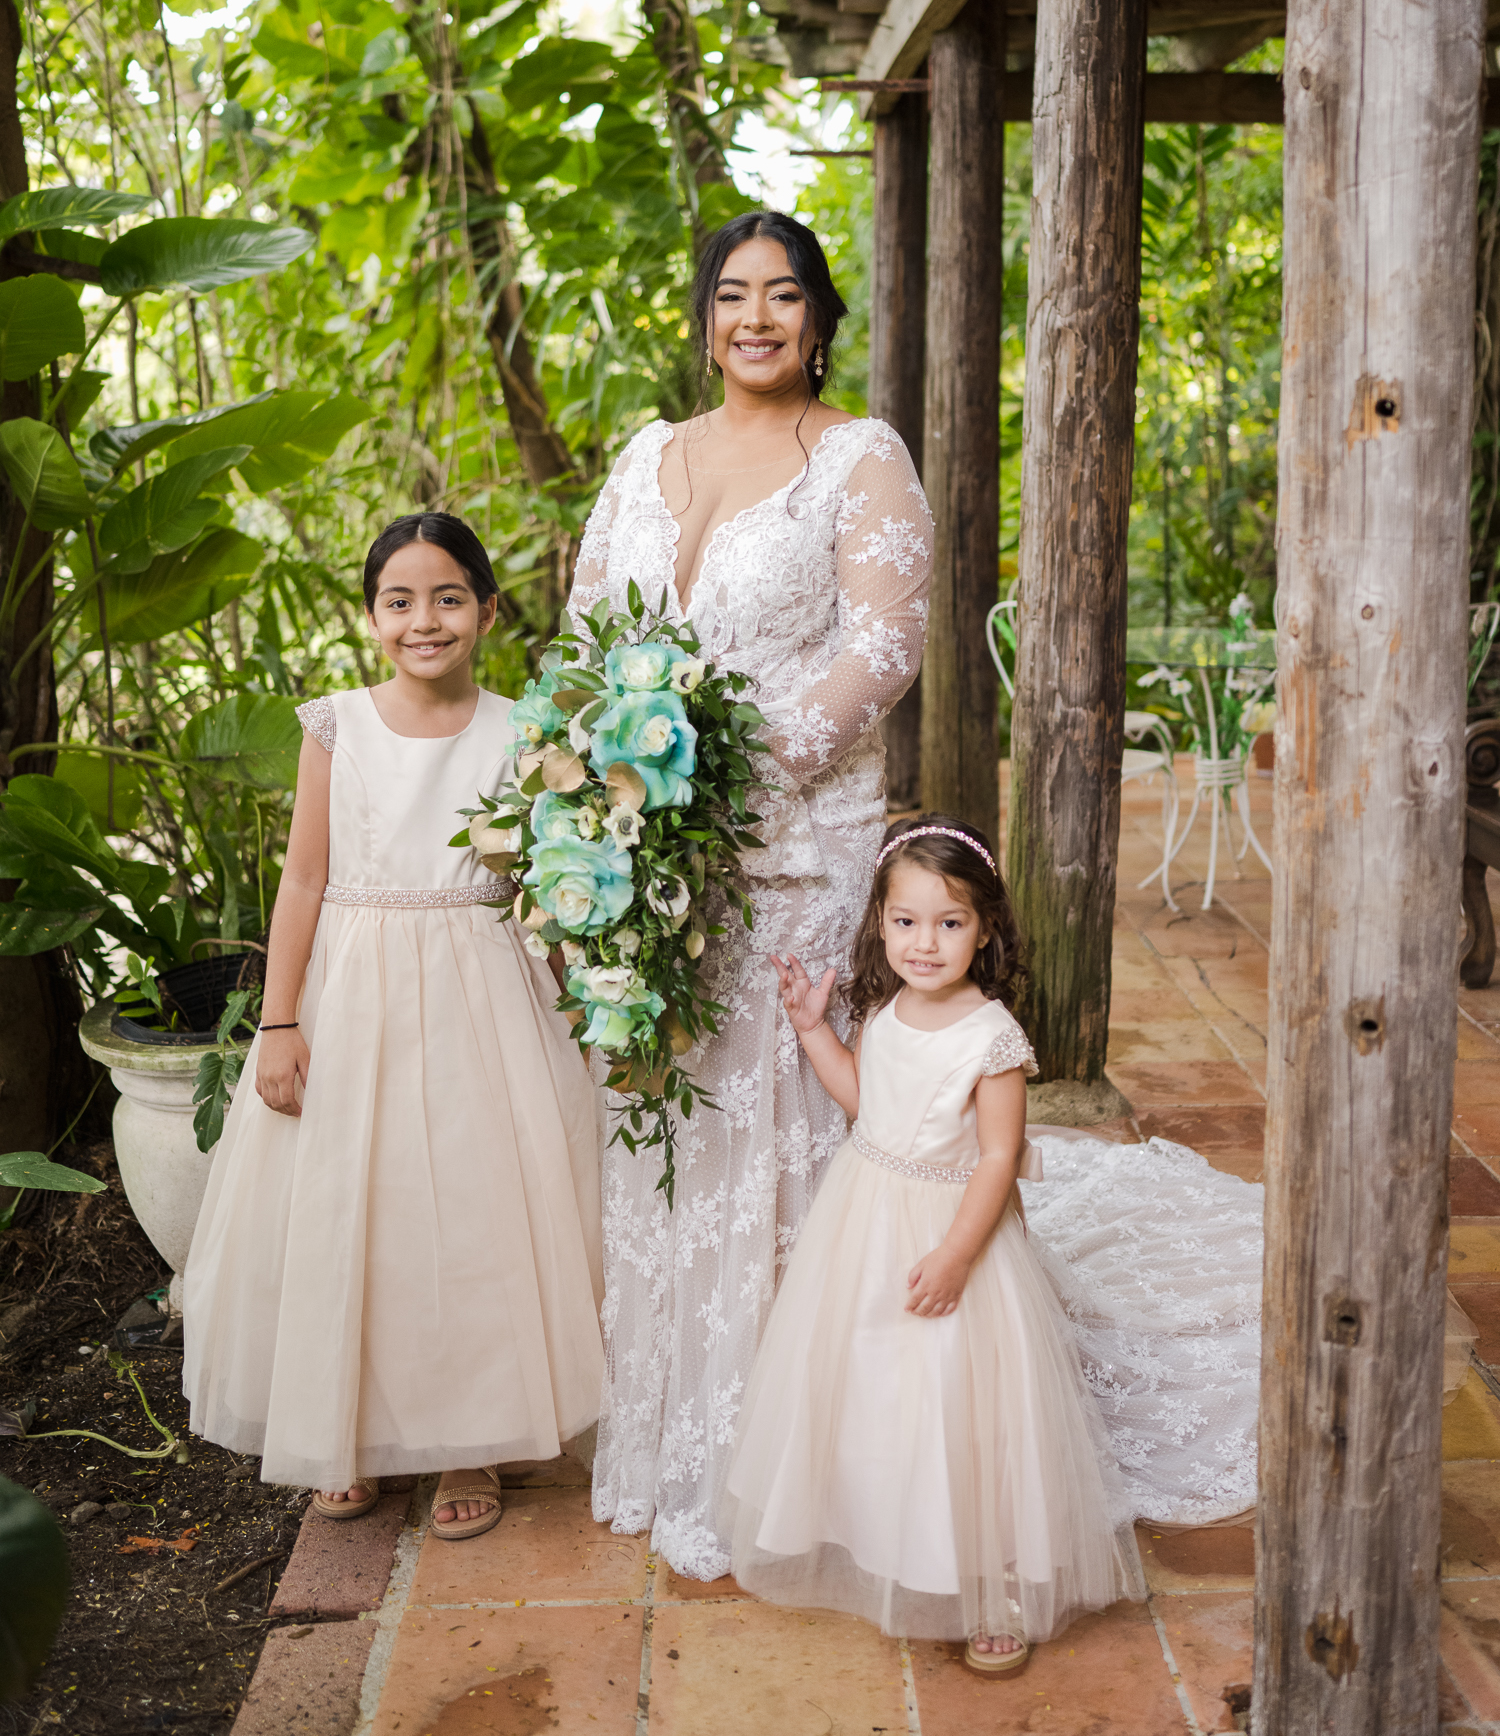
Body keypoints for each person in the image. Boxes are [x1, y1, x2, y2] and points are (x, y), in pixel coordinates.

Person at [567, 210, 934, 1579]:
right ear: (704, 315)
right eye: (734, 294)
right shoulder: (644, 457)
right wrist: (608, 784)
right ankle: (680, 1427)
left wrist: (717, 782)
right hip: (642, 848)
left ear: (818, 316)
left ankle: (811, 1448)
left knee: (783, 1110)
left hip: (789, 840)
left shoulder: (858, 455)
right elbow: (590, 633)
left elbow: (882, 648)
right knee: (672, 1101)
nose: (758, 317)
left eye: (784, 294)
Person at [183, 512, 604, 1540]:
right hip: (357, 991)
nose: (426, 619)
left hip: (483, 991)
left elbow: (548, 882)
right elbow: (304, 879)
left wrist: (586, 1007)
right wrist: (279, 1021)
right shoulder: (338, 725)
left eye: (450, 596)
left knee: (471, 1210)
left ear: (489, 611)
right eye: (400, 600)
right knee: (353, 1208)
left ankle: (469, 1436)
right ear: (371, 617)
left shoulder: (525, 730)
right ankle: (350, 1433)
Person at [722, 816, 1146, 1672]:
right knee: (872, 1387)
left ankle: (994, 1580)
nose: (926, 942)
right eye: (907, 921)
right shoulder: (882, 1010)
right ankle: (879, 1534)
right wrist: (814, 1032)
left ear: (984, 929)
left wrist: (957, 1255)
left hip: (954, 1230)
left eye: (950, 923)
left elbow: (997, 1160)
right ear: (881, 923)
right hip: (864, 1217)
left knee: (962, 1398)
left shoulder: (992, 1038)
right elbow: (864, 1104)